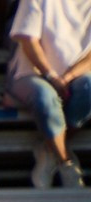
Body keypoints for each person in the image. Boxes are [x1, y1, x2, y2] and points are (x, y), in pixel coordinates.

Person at [10, 0, 91, 187]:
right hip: (32, 73)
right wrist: (51, 75)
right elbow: (28, 40)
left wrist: (68, 76)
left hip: (76, 76)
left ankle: (48, 149)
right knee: (46, 98)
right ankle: (65, 162)